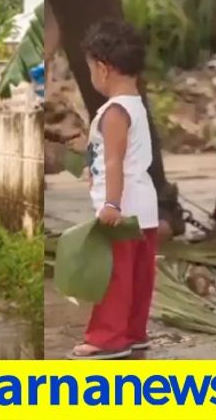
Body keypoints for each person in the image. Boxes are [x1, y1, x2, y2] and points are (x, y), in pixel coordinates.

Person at [66, 19, 158, 360]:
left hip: (122, 208)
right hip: (143, 208)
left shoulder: (114, 111)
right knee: (137, 277)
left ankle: (107, 338)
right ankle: (133, 332)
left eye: (90, 68)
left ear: (102, 69)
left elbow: (115, 161)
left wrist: (110, 204)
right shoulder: (136, 104)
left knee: (113, 277)